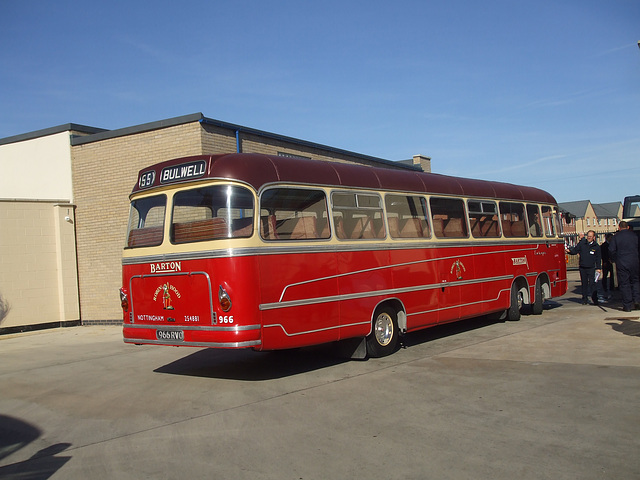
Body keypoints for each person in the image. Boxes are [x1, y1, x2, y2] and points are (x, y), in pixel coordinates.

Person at [609, 221, 640, 312]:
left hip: (622, 262)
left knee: (624, 283)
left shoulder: (616, 237)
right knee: (635, 281)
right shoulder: (634, 236)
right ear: (628, 227)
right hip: (634, 261)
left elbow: (611, 250)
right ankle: (637, 300)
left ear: (619, 227)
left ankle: (627, 305)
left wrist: (613, 259)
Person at [566, 230, 604, 305]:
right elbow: (575, 250)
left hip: (591, 268)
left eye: (590, 236)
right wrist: (569, 251)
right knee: (584, 284)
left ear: (593, 237)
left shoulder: (596, 247)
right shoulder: (582, 244)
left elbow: (598, 258)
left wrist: (599, 268)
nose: (589, 238)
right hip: (583, 267)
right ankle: (584, 299)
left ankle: (594, 299)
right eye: (588, 236)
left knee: (592, 284)